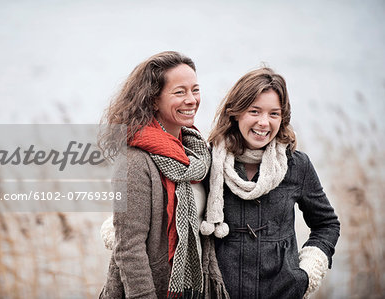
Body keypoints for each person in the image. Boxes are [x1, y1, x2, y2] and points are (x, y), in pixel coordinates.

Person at [200, 67, 340, 299]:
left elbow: (327, 224)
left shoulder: (297, 165)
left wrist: (305, 275)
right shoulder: (209, 161)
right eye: (254, 111)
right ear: (235, 113)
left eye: (274, 114)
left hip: (282, 292)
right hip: (220, 293)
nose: (264, 123)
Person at [99, 51, 228, 298]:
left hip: (195, 289)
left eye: (195, 90)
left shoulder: (197, 152)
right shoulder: (135, 161)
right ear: (154, 99)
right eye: (180, 92)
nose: (191, 100)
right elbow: (129, 249)